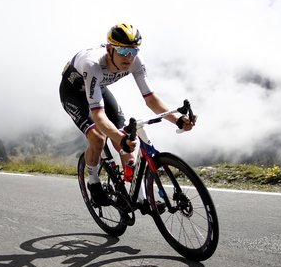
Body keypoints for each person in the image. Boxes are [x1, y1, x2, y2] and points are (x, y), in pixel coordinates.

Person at [59, 22, 196, 214]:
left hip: (97, 89)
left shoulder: (135, 62)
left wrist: (178, 120)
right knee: (98, 138)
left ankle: (138, 197)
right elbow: (98, 115)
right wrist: (118, 137)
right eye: (123, 51)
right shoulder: (92, 64)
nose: (129, 57)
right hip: (73, 94)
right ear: (109, 49)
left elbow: (151, 100)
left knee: (126, 139)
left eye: (134, 51)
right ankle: (93, 181)